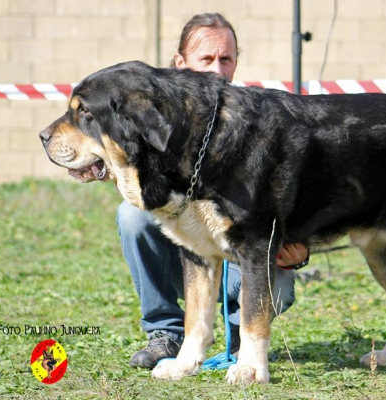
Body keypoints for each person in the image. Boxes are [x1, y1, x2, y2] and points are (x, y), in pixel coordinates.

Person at [117, 13, 310, 369]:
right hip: (186, 249)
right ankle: (166, 333)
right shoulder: (154, 118)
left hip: (242, 252)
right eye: (205, 59)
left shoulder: (254, 123)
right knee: (131, 216)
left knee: (279, 289)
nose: (218, 70)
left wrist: (299, 250)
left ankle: (241, 336)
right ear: (180, 63)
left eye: (226, 59)